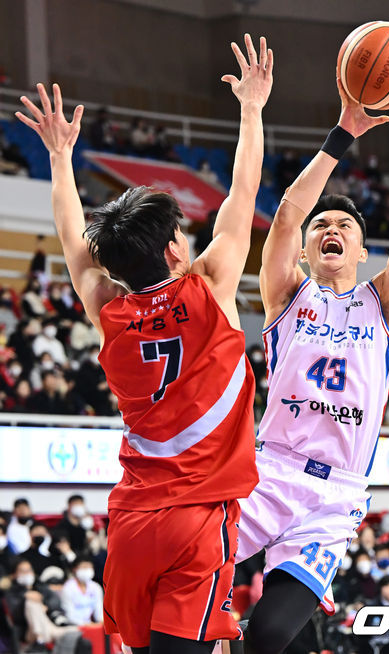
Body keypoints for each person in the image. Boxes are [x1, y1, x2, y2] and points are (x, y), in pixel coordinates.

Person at [16, 32, 273, 654]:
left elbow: (74, 239)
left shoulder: (107, 308)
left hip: (131, 523)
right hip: (197, 517)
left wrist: (58, 159)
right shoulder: (210, 287)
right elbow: (242, 197)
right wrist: (251, 108)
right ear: (173, 249)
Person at [235, 63, 389, 654]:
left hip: (335, 493)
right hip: (269, 471)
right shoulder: (288, 293)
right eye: (322, 224)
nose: (332, 229)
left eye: (345, 225)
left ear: (362, 248)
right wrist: (340, 136)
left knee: (269, 634)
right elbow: (287, 217)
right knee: (187, 580)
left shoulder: (384, 302)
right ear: (307, 245)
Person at [61, 557, 103, 626]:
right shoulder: (68, 588)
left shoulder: (96, 587)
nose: (87, 570)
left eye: (90, 568)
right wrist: (86, 624)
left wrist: (101, 622)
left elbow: (99, 610)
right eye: (84, 567)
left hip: (92, 625)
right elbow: (69, 615)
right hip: (73, 625)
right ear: (75, 569)